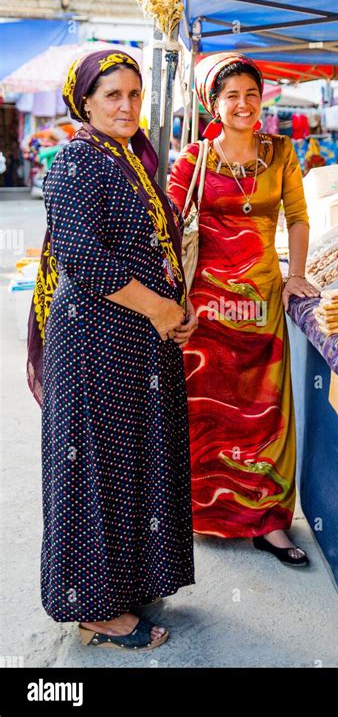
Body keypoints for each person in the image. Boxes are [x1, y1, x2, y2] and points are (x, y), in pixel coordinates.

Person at [27, 50, 198, 652]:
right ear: (86, 103)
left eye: (134, 94)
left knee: (138, 459)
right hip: (96, 339)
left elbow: (156, 245)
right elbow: (84, 255)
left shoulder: (128, 157)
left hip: (141, 341)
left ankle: (128, 583)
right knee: (94, 466)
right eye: (112, 96)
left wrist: (178, 309)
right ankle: (95, 609)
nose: (126, 106)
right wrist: (162, 308)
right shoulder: (76, 158)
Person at [168, 52, 319, 566]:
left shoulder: (280, 152)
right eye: (231, 95)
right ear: (214, 103)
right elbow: (167, 227)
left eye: (252, 94)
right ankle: (203, 513)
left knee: (265, 413)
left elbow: (297, 217)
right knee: (207, 415)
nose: (244, 104)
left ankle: (270, 522)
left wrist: (295, 273)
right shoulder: (195, 159)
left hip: (262, 306)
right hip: (206, 310)